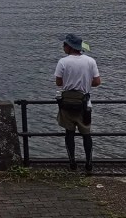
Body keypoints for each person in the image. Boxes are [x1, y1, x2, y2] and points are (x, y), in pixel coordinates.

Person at [54, 33, 101, 173]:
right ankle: (89, 164)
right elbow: (97, 82)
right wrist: (86, 83)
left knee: (69, 133)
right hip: (84, 103)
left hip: (67, 103)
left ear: (69, 47)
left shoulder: (63, 62)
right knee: (86, 134)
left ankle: (72, 163)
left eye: (64, 45)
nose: (63, 47)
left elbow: (58, 82)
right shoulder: (90, 61)